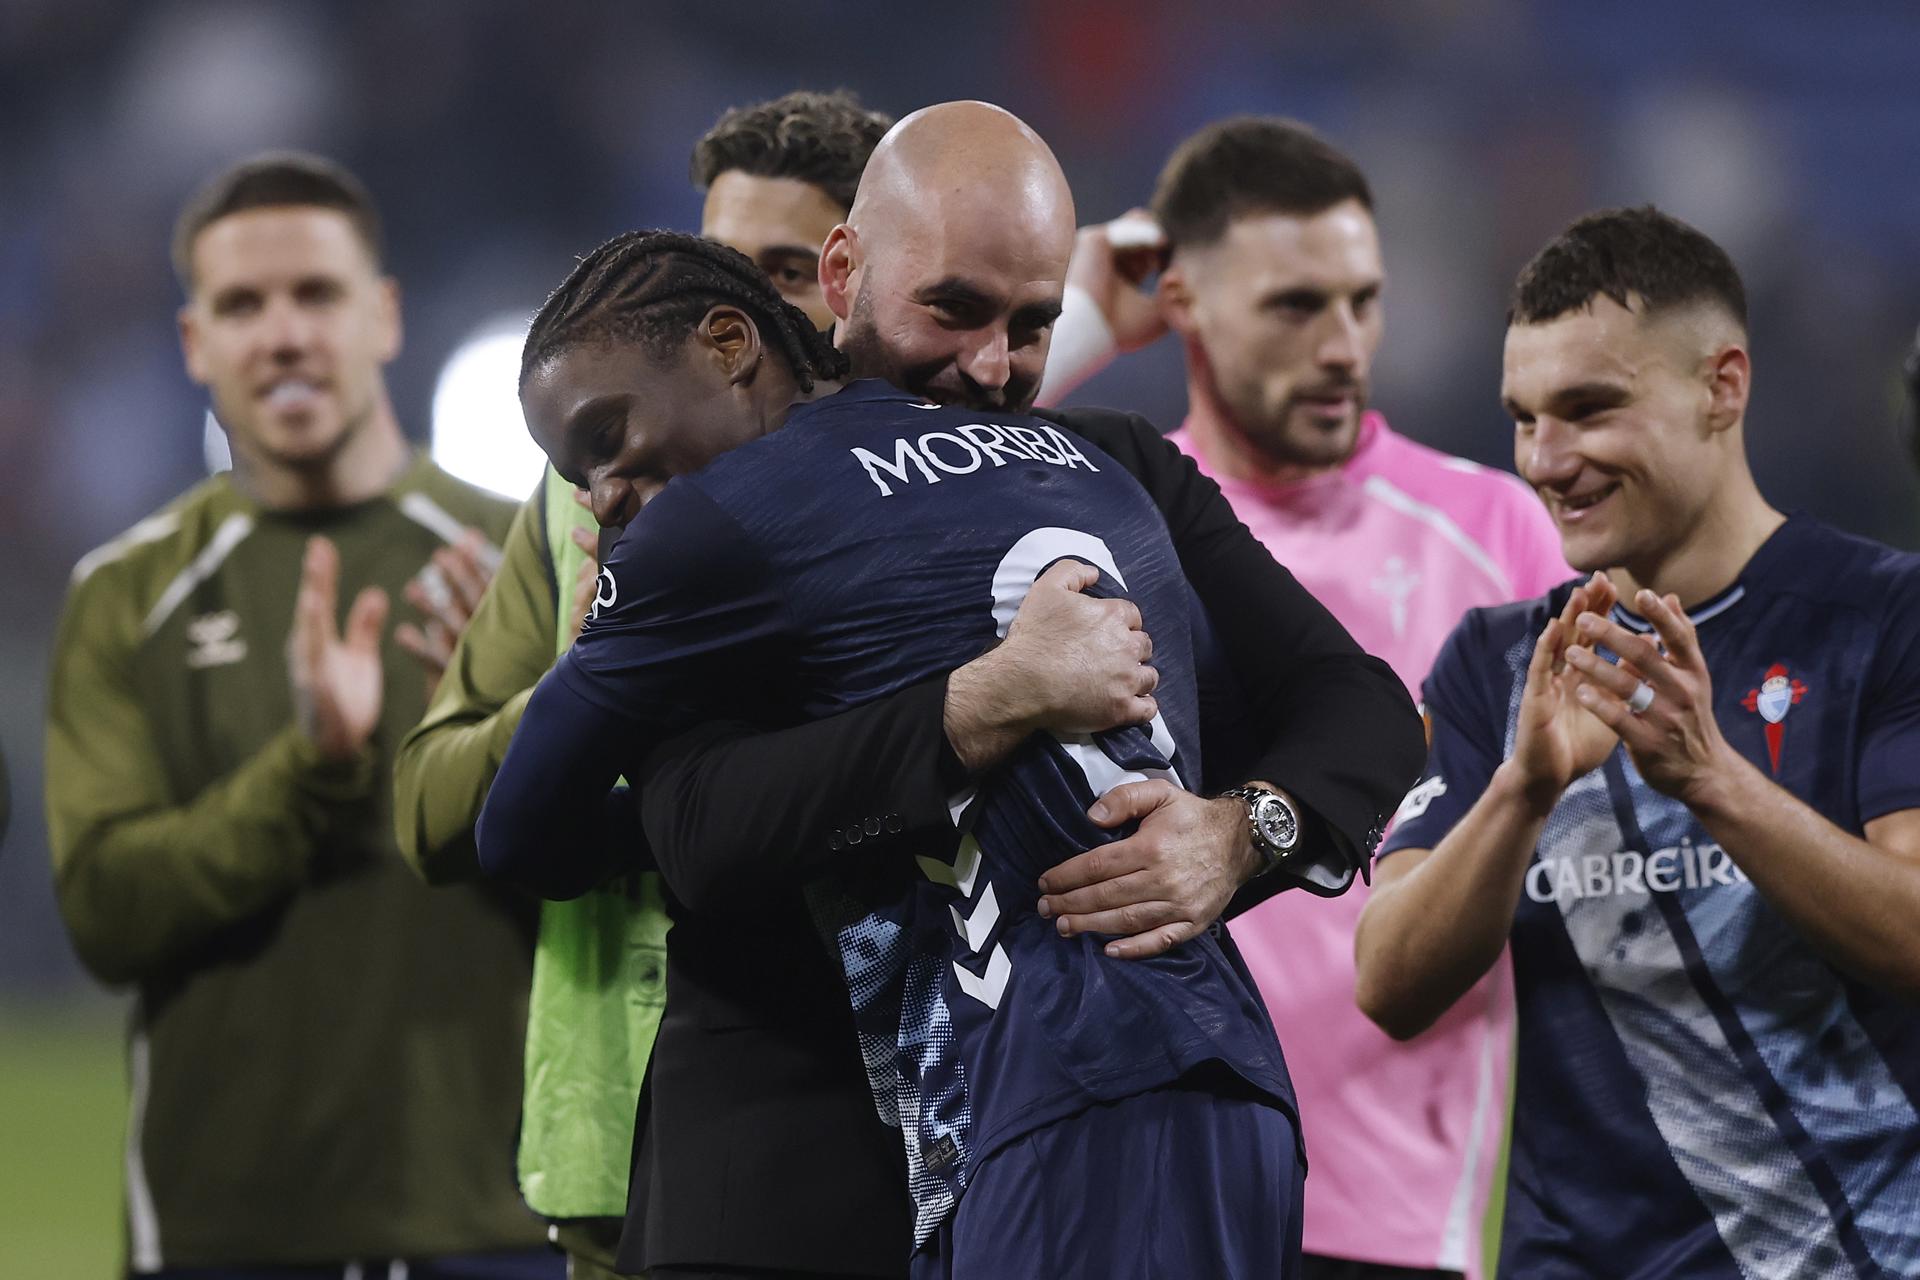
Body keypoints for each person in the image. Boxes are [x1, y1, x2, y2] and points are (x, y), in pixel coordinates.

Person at [490, 102, 1423, 1278]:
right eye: (955, 309)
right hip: (791, 1155)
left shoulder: (1112, 465)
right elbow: (685, 831)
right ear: (847, 276)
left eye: (1034, 324)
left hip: (1061, 1103)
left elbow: (1357, 703)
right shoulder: (714, 519)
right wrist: (980, 704)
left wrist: (1242, 830)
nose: (994, 365)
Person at [1038, 117, 1571, 1280]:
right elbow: (909, 450)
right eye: (1294, 305)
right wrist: (1080, 307)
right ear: (1177, 297)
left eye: (1362, 301)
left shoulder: (1500, 534)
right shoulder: (1102, 523)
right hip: (1150, 1182)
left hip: (1401, 1214)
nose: (1343, 344)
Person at [1355, 205, 1920, 1278]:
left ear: (1724, 387)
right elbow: (1388, 979)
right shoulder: (1496, 661)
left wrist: (1713, 782)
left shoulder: (1888, 619)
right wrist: (1521, 791)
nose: (1546, 459)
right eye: (1523, 417)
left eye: (1589, 408)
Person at [392, 88, 893, 1280]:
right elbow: (429, 807)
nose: (737, 313)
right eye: (717, 264)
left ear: (853, 276)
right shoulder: (582, 501)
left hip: (875, 1139)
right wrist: (577, 682)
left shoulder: (910, 492)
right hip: (619, 1153)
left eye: (782, 268)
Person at [44, 153, 556, 1277]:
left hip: (499, 1224)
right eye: (242, 303)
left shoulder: (522, 561)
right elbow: (107, 911)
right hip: (228, 1237)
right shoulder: (128, 594)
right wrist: (311, 767)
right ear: (195, 344)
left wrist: (534, 726)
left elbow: (623, 894)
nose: (282, 333)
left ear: (381, 315)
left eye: (315, 294)